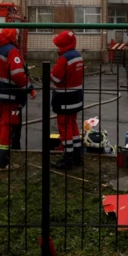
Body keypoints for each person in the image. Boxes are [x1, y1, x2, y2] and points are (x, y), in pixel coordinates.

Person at [0, 28, 36, 171]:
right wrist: (30, 89)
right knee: (8, 127)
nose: (18, 38)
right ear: (12, 35)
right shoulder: (11, 50)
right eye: (17, 35)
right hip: (10, 95)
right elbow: (17, 75)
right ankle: (3, 162)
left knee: (2, 125)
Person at [50, 31, 84, 170]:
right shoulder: (78, 56)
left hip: (64, 98)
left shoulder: (64, 58)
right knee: (73, 126)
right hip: (76, 97)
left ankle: (67, 158)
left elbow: (56, 78)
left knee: (64, 128)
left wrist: (50, 72)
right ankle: (77, 156)